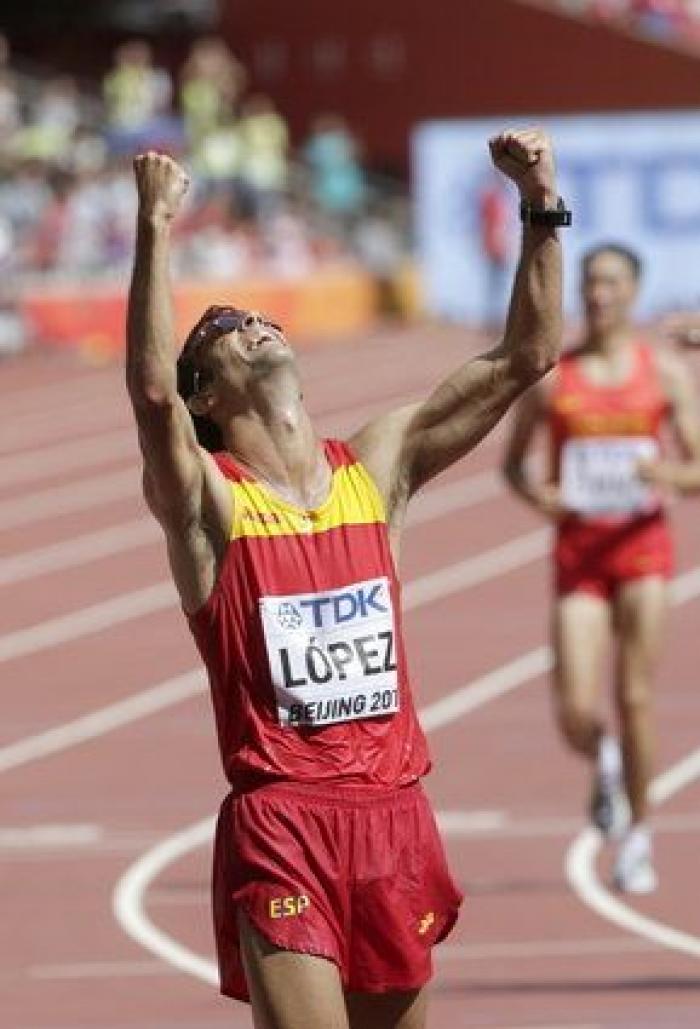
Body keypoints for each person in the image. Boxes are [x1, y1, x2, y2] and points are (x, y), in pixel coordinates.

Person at [126, 127, 564, 1029]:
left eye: (258, 316)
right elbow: (152, 397)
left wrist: (539, 199)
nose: (250, 323)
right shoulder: (212, 503)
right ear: (208, 394)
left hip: (393, 814)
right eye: (222, 330)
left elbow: (526, 356)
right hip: (284, 821)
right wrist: (155, 224)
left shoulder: (377, 466)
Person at [503, 243, 700, 894]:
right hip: (580, 555)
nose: (598, 294)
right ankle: (604, 756)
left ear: (634, 291)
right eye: (589, 282)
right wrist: (541, 496)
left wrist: (663, 473)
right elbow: (514, 466)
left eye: (611, 282)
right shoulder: (556, 377)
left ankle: (639, 838)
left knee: (636, 696)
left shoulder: (663, 370)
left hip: (643, 549)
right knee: (575, 708)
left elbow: (698, 468)